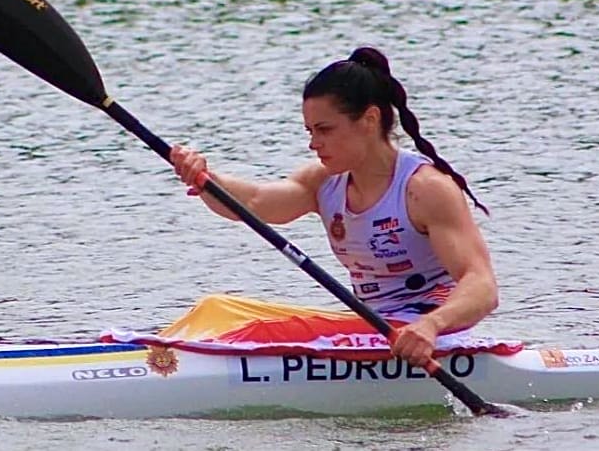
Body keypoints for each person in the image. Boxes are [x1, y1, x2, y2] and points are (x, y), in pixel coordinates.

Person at [170, 46, 499, 368]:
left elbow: (482, 286)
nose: (313, 143)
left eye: (325, 129)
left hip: (426, 334)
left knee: (262, 332)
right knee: (218, 309)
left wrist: (431, 325)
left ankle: (177, 364)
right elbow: (255, 202)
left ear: (370, 119)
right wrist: (204, 177)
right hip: (374, 326)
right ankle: (155, 356)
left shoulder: (425, 189)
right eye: (310, 131)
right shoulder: (323, 181)